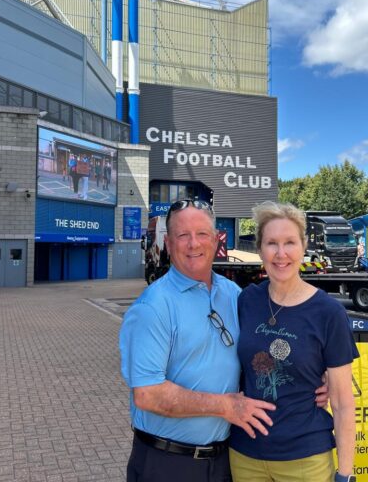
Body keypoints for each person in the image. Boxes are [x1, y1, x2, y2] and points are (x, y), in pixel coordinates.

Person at [120, 200, 329, 482]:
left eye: (202, 234)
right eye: (183, 235)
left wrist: (316, 377)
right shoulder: (153, 307)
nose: (193, 244)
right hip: (167, 463)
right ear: (168, 243)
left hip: (224, 462)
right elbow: (148, 394)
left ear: (216, 239)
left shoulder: (232, 294)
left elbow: (263, 348)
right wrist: (226, 406)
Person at [228, 201, 358, 482]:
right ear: (260, 249)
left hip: (305, 459)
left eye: (290, 242)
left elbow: (343, 401)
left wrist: (345, 474)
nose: (281, 253)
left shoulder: (328, 312)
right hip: (245, 454)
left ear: (304, 246)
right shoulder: (246, 300)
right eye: (271, 243)